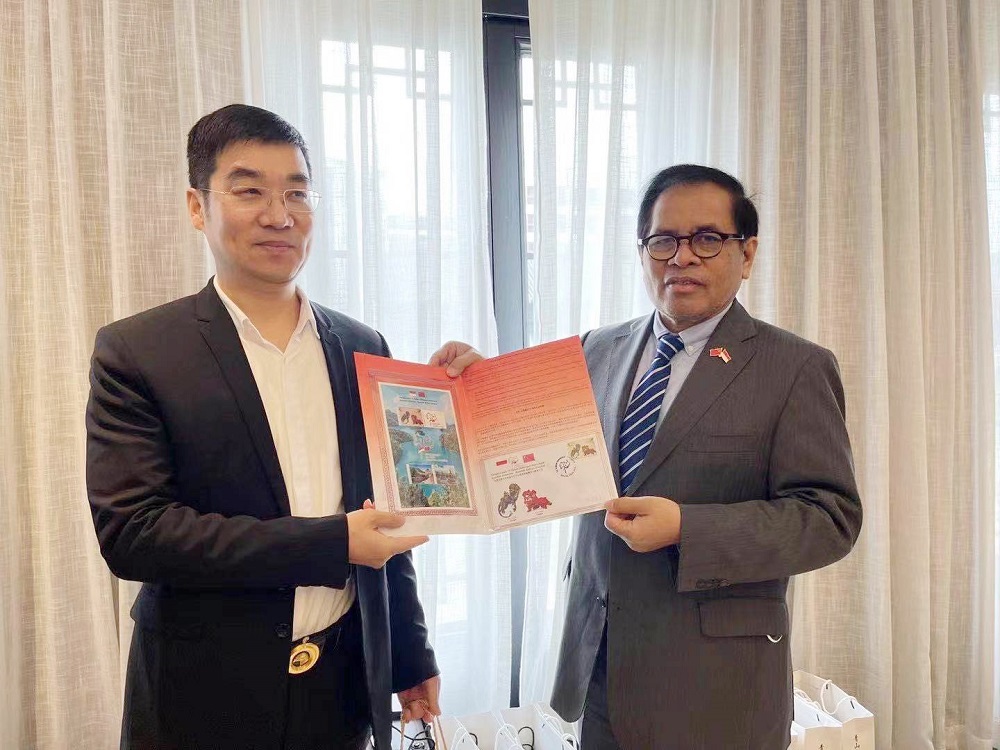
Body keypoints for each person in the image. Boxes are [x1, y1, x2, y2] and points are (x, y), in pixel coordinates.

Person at [86, 104, 478, 750]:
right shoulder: (137, 351)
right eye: (250, 191)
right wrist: (333, 543)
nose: (280, 214)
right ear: (197, 206)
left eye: (297, 192)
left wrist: (410, 656)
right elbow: (135, 535)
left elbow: (386, 516)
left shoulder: (362, 345)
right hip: (202, 694)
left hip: (341, 690)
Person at [547, 165, 864, 749]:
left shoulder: (795, 367)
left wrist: (687, 529)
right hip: (600, 667)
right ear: (642, 251)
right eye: (663, 240)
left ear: (747, 254)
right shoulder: (596, 348)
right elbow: (541, 456)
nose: (682, 257)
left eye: (707, 239)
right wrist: (472, 384)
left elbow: (829, 519)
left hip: (717, 685)